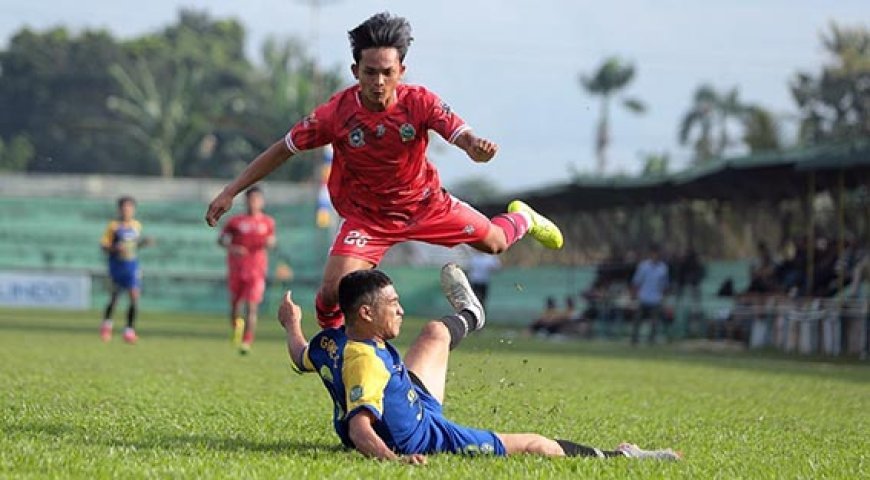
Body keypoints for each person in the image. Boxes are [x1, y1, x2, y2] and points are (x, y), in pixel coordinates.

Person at [205, 12, 563, 331]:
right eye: (370, 72)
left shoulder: (419, 101)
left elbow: (462, 135)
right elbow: (283, 149)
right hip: (368, 219)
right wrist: (231, 191)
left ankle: (524, 219)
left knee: (495, 244)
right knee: (331, 293)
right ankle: (334, 351)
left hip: (426, 206)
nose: (378, 81)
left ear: (401, 72)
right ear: (355, 71)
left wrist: (474, 148)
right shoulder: (335, 114)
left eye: (387, 73)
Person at [278, 264, 680, 462]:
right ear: (365, 313)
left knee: (436, 332)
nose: (401, 311)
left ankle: (473, 315)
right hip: (423, 435)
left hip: (410, 397)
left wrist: (291, 324)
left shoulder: (330, 341)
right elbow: (359, 426)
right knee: (534, 442)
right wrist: (394, 460)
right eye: (393, 305)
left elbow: (300, 357)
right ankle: (619, 456)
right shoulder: (364, 361)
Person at [218, 186, 276, 354]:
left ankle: (247, 341)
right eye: (251, 199)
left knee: (252, 306)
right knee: (236, 306)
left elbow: (272, 240)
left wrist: (271, 243)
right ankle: (236, 327)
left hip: (257, 271)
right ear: (246, 201)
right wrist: (232, 247)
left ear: (262, 202)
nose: (254, 203)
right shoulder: (235, 221)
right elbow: (221, 240)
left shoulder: (268, 222)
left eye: (257, 199)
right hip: (237, 269)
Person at [99, 196, 153, 343]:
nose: (127, 210)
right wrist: (115, 248)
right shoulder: (113, 226)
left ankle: (129, 330)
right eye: (124, 208)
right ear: (119, 209)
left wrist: (143, 243)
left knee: (134, 296)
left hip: (131, 265)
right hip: (116, 265)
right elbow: (104, 246)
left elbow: (133, 245)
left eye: (129, 208)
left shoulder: (136, 226)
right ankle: (106, 325)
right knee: (115, 297)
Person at [630, 244, 669, 345]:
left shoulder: (663, 268)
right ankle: (634, 340)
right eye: (654, 253)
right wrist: (634, 295)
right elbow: (636, 281)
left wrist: (663, 297)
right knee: (637, 320)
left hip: (656, 299)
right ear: (651, 254)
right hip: (643, 297)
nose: (655, 255)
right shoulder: (643, 266)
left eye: (657, 254)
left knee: (654, 322)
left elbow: (664, 284)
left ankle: (651, 340)